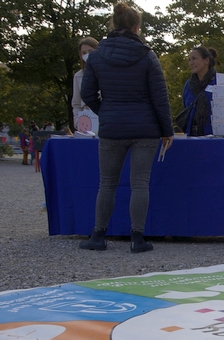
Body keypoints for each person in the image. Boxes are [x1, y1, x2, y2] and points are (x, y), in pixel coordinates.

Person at [80, 1, 174, 253]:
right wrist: (167, 130)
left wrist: (107, 111)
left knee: (107, 183)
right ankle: (137, 238)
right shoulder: (147, 55)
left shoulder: (96, 56)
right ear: (136, 27)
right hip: (145, 129)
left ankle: (98, 235)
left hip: (112, 129)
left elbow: (87, 93)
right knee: (140, 183)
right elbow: (159, 96)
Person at [181, 46, 218, 136]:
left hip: (214, 137)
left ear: (206, 60)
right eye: (189, 60)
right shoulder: (188, 85)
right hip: (191, 135)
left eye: (194, 59)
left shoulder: (220, 82)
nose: (191, 63)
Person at [72, 36, 99, 129]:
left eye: (90, 51)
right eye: (84, 53)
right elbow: (76, 103)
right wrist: (77, 121)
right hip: (86, 120)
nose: (87, 55)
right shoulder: (78, 76)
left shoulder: (106, 74)